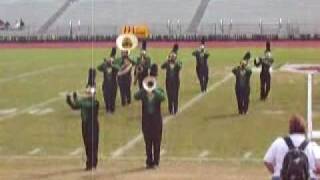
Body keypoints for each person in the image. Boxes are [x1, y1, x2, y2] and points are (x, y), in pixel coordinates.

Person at [264, 115, 320, 180]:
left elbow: (267, 161)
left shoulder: (278, 142)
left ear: (290, 128)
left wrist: (276, 172)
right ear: (304, 128)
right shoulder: (312, 145)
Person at [134, 64, 165, 169]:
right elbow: (135, 96)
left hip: (156, 121)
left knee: (157, 142)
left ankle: (156, 162)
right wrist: (144, 89)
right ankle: (149, 161)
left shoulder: (159, 91)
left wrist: (154, 90)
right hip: (146, 121)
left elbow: (163, 97)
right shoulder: (143, 93)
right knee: (148, 142)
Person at [66, 87, 100, 171]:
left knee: (93, 144)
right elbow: (74, 106)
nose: (87, 94)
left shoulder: (95, 102)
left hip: (93, 125)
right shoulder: (84, 101)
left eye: (89, 93)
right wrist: (69, 99)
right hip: (85, 125)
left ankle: (93, 164)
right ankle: (89, 164)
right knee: (87, 144)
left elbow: (83, 104)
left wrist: (76, 98)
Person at [161, 44, 182, 115]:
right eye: (171, 57)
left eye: (173, 57)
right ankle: (170, 109)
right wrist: (167, 60)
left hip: (176, 82)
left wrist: (175, 61)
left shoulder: (178, 63)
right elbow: (162, 66)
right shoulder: (167, 63)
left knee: (175, 96)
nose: (172, 58)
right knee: (169, 96)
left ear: (175, 57)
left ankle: (175, 109)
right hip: (168, 82)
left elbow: (179, 67)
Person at [97, 47, 119, 113]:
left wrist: (112, 64)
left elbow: (118, 68)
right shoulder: (105, 66)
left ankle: (112, 109)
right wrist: (105, 63)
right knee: (106, 97)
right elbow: (98, 68)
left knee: (113, 97)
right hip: (106, 84)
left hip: (113, 84)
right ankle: (107, 109)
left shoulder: (115, 66)